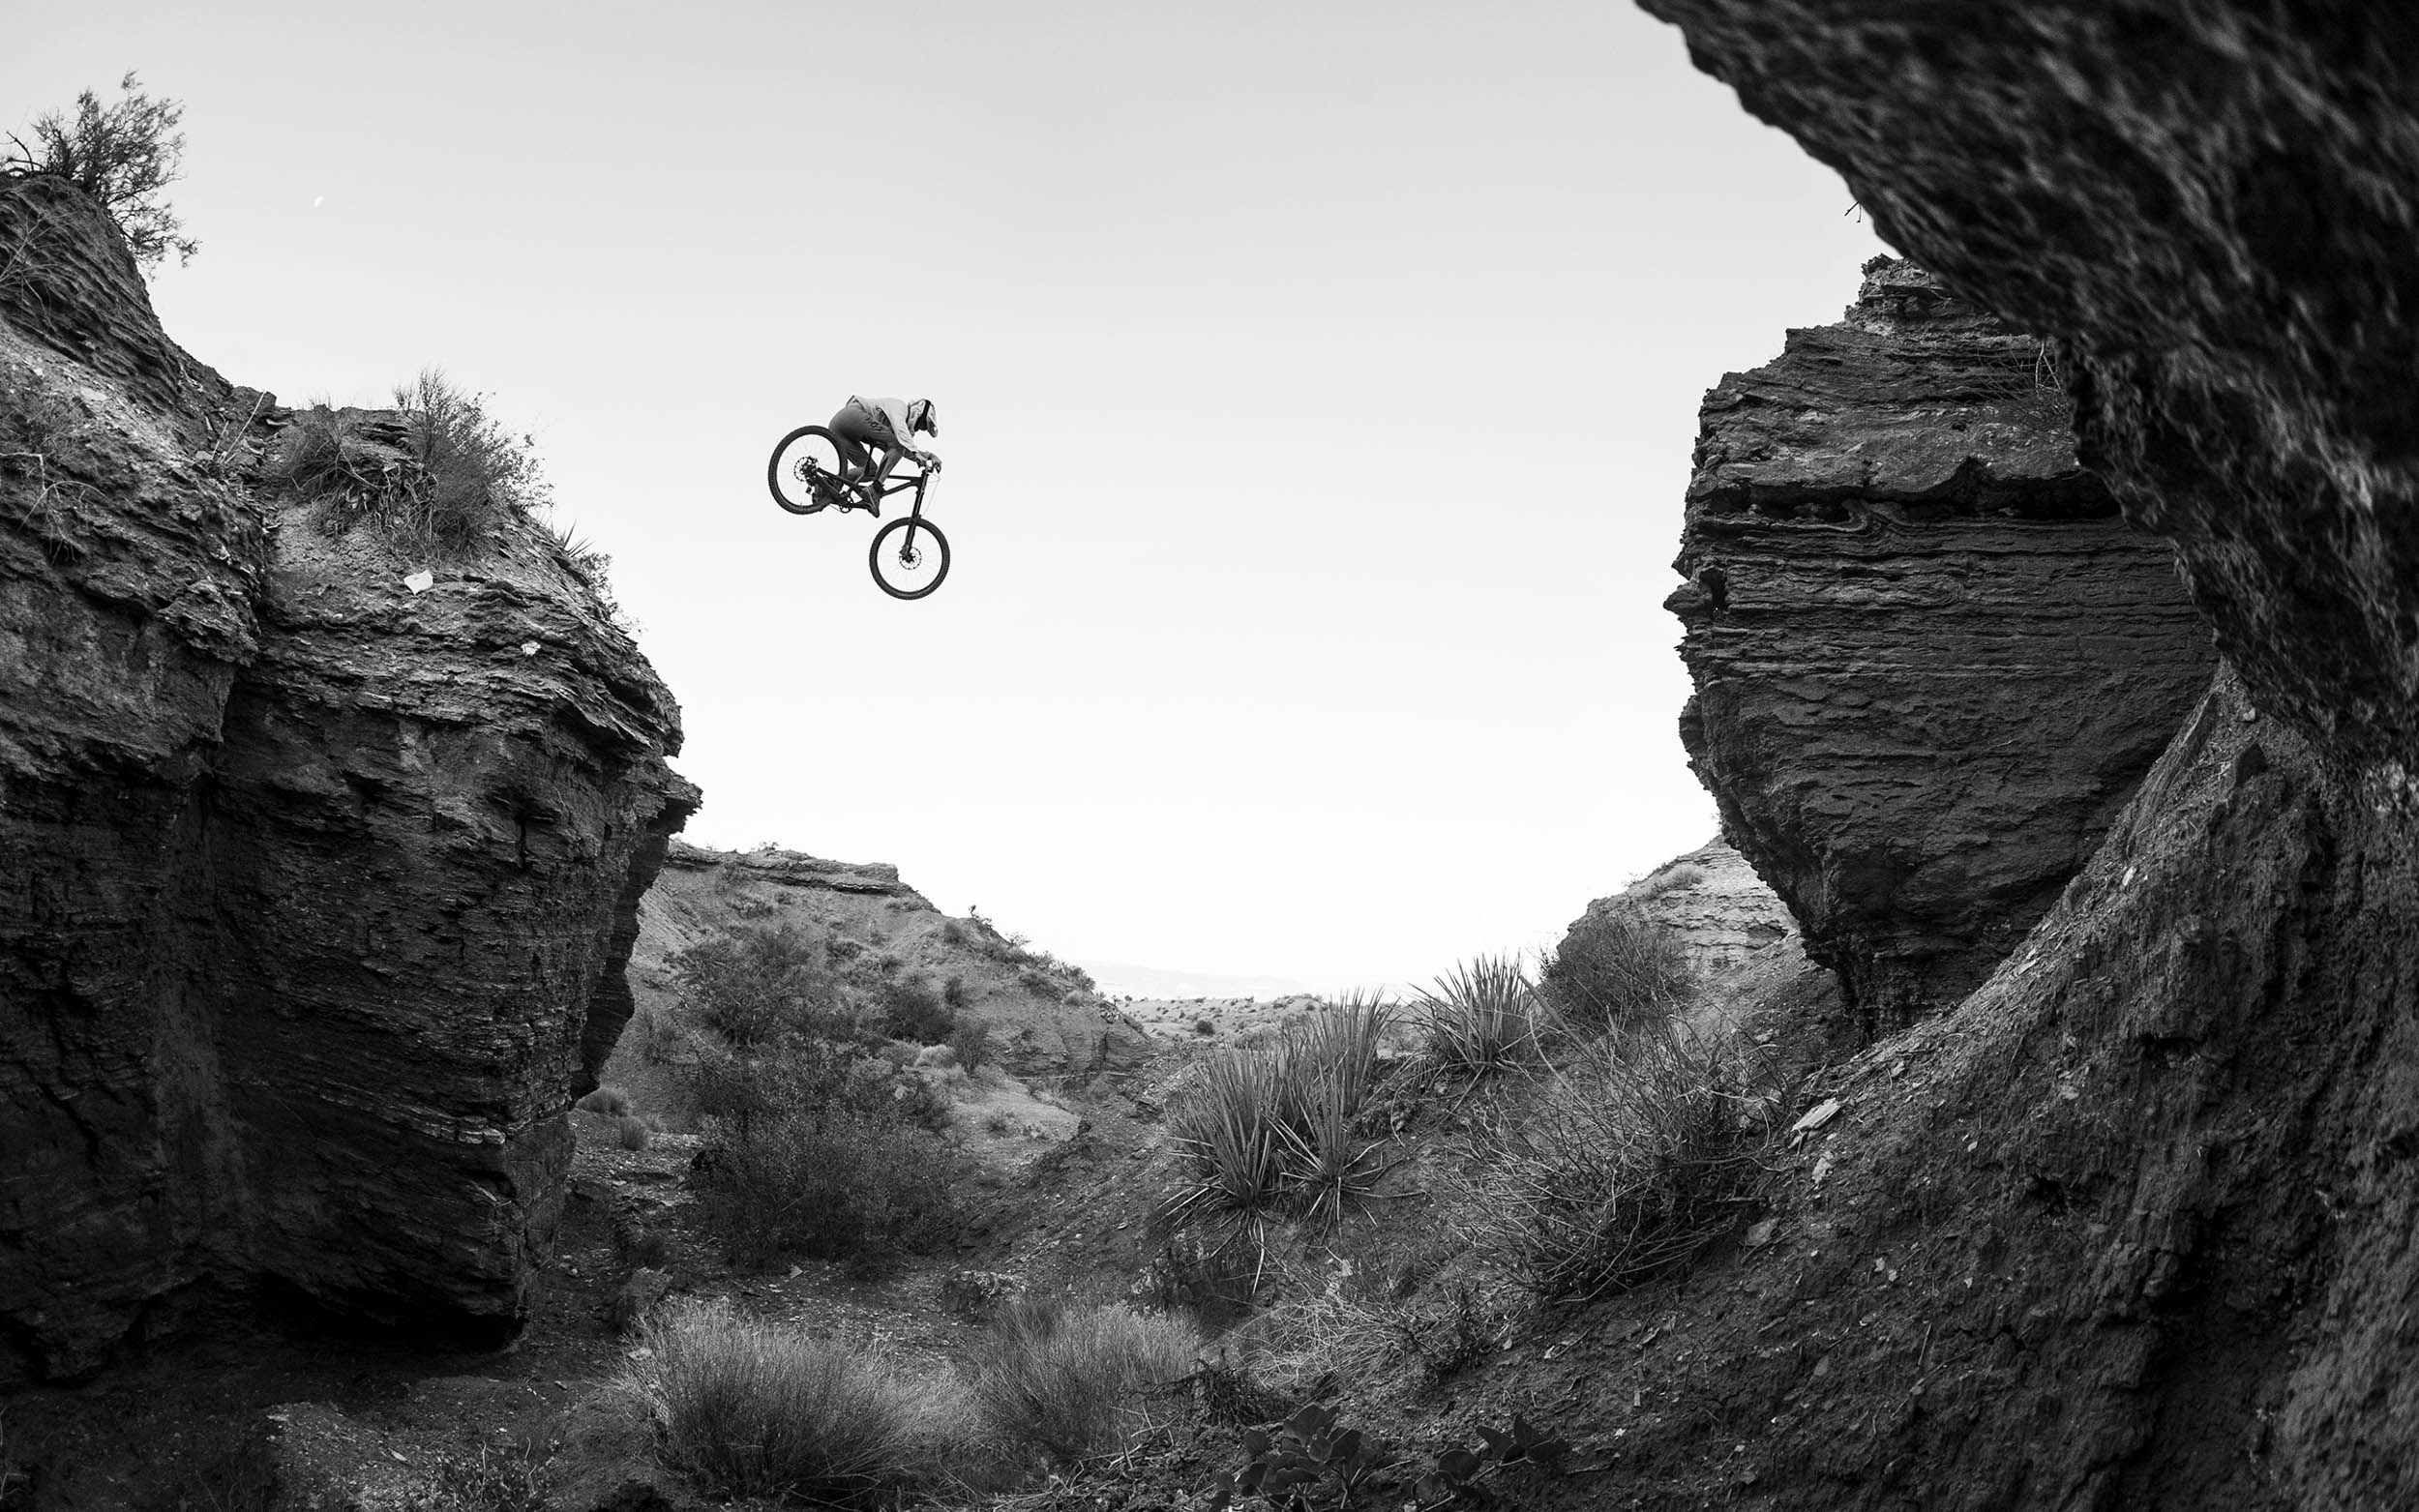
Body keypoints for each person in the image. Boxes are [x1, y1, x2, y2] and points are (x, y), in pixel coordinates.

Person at [827, 395, 941, 509]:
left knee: (871, 471)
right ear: (918, 413)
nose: (919, 428)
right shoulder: (900, 408)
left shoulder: (895, 432)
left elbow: (904, 450)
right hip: (851, 415)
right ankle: (875, 489)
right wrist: (916, 453)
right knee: (898, 445)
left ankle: (827, 483)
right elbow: (902, 439)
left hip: (840, 430)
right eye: (921, 425)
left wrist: (928, 456)